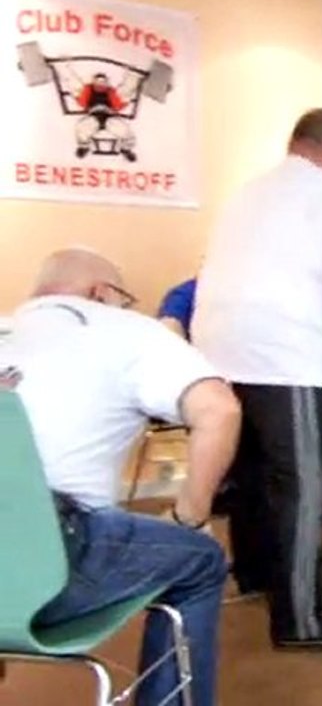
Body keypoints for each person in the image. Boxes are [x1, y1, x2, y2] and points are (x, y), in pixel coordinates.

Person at [0, 248, 240, 706]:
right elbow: (220, 410)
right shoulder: (126, 330)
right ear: (103, 293)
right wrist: (187, 517)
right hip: (48, 559)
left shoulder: (8, 330)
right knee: (202, 560)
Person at [192, 108, 322, 651]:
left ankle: (253, 576)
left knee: (248, 473)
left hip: (216, 349)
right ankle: (301, 620)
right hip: (283, 352)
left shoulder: (246, 192)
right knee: (303, 483)